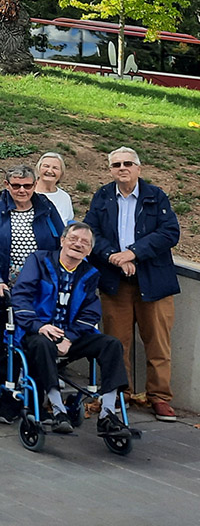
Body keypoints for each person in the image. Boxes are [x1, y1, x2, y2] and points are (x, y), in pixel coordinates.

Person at [83, 146, 181, 422]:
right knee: (116, 342)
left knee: (158, 343)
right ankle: (118, 394)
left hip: (154, 281)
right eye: (116, 165)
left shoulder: (155, 196)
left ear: (138, 168)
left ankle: (160, 397)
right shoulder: (102, 196)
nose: (122, 168)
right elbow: (91, 233)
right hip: (116, 283)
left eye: (128, 163)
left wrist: (134, 252)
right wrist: (114, 257)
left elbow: (169, 232)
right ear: (110, 170)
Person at [11, 222, 132, 437]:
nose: (78, 244)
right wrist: (40, 326)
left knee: (111, 344)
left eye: (85, 242)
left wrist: (69, 336)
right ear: (62, 241)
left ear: (89, 250)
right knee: (42, 343)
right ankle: (58, 410)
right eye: (74, 239)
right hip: (37, 333)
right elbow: (21, 297)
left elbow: (91, 313)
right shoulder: (39, 261)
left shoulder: (90, 273)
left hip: (71, 336)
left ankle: (107, 414)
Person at [0, 164, 64, 422]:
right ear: (7, 185)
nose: (22, 190)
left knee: (37, 345)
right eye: (16, 186)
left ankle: (37, 401)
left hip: (37, 292)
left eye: (27, 186)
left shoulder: (45, 208)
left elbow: (59, 242)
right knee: (3, 347)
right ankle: (8, 399)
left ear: (35, 185)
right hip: (2, 289)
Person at [35, 152, 74, 224]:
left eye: (55, 168)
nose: (50, 171)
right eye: (46, 166)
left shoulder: (64, 197)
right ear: (38, 168)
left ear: (61, 173)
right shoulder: (27, 193)